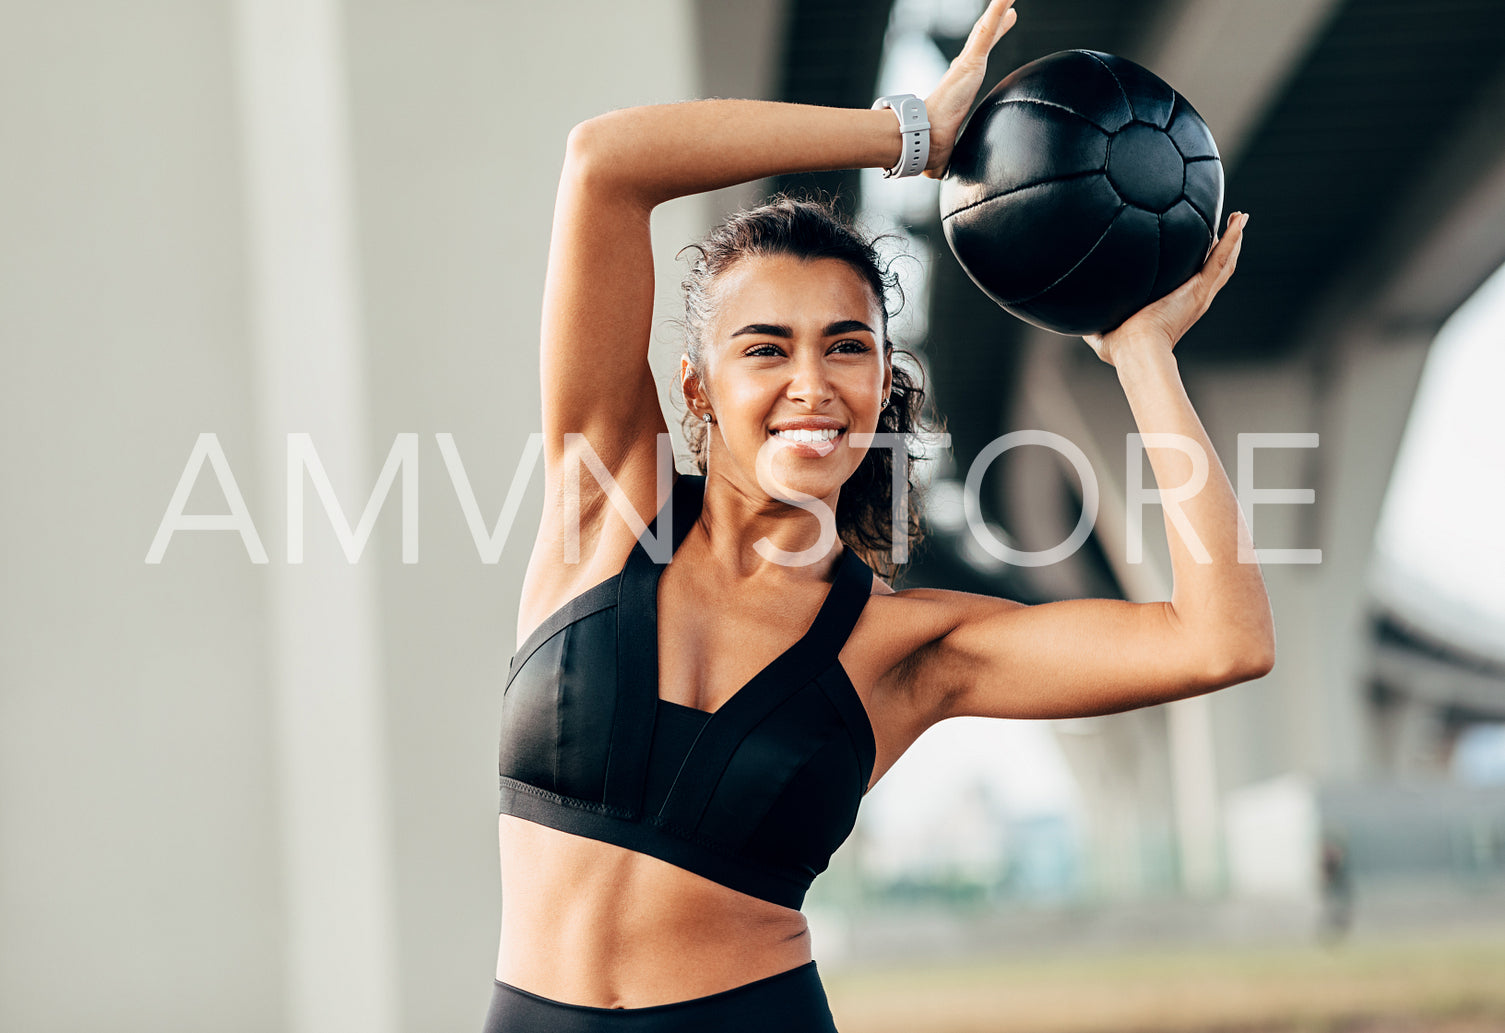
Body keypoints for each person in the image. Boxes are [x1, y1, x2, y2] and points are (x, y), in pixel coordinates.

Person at [485, 0, 1274, 1029]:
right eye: (765, 348)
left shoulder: (901, 645)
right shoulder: (599, 513)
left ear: (881, 379)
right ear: (695, 389)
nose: (811, 382)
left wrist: (1138, 355)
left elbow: (1220, 641)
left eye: (846, 346)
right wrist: (906, 135)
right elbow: (604, 164)